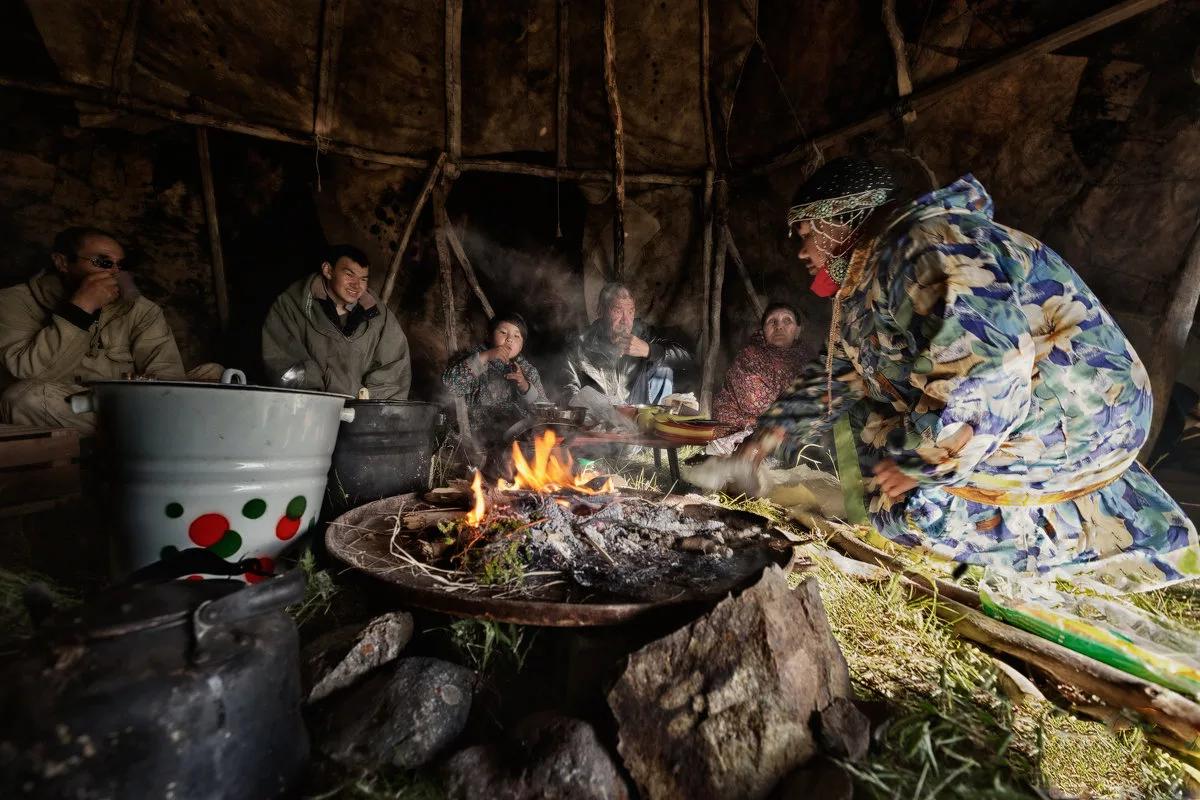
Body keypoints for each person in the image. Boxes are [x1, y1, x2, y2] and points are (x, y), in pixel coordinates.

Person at [741, 156, 1197, 592]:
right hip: (1033, 411)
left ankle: (1065, 553)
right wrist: (768, 434)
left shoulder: (925, 246)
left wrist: (925, 461)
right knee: (873, 433)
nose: (801, 251)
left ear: (840, 219)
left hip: (1083, 412)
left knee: (906, 498)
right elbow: (840, 371)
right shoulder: (875, 274)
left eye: (806, 233)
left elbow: (992, 366)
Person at [0, 226, 196, 433]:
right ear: (62, 262)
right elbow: (32, 373)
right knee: (22, 399)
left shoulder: (139, 309)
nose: (113, 272)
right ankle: (146, 437)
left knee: (215, 375)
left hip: (125, 406)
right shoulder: (13, 302)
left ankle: (143, 435)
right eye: (102, 262)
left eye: (119, 265)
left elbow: (167, 380)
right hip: (67, 406)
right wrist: (80, 308)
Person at [262, 244, 410, 399]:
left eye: (363, 279)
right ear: (328, 270)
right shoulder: (292, 306)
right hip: (306, 411)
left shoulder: (378, 315)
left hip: (359, 415)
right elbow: (283, 365)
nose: (356, 285)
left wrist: (368, 407)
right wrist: (319, 402)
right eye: (349, 275)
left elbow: (395, 370)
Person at [562, 282, 692, 425]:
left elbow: (687, 359)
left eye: (630, 312)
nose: (625, 321)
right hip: (597, 426)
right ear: (600, 311)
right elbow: (568, 393)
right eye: (617, 311)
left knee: (664, 370)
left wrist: (649, 350)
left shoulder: (643, 334)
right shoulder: (580, 344)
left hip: (638, 424)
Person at [443, 312, 548, 448]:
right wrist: (485, 357)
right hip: (476, 443)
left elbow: (544, 410)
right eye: (503, 333)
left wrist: (525, 386)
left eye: (517, 336)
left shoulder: (527, 371)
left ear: (522, 344)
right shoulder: (473, 359)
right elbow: (449, 386)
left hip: (518, 442)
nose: (510, 339)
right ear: (489, 335)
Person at [711, 302, 811, 430]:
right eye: (772, 321)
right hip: (745, 429)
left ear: (797, 330)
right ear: (763, 330)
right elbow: (754, 403)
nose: (779, 326)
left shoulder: (807, 357)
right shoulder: (750, 356)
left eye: (787, 320)